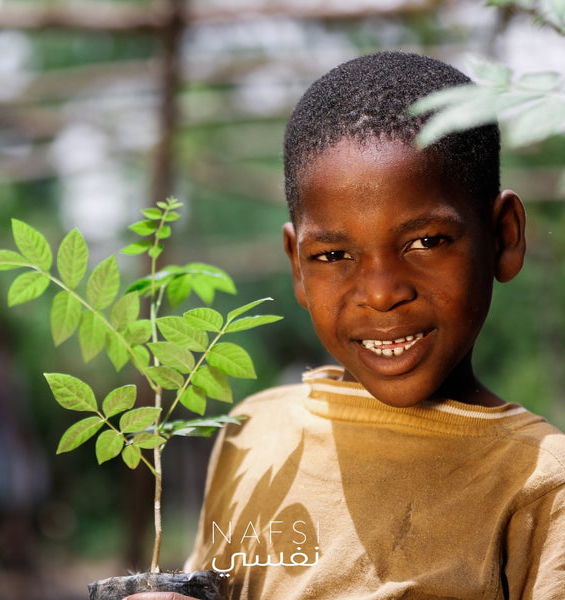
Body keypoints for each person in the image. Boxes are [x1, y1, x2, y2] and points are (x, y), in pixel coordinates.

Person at [126, 51, 565, 600]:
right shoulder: (254, 432)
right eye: (333, 255)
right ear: (297, 267)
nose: (381, 292)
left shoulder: (541, 484)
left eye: (426, 242)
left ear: (503, 236)